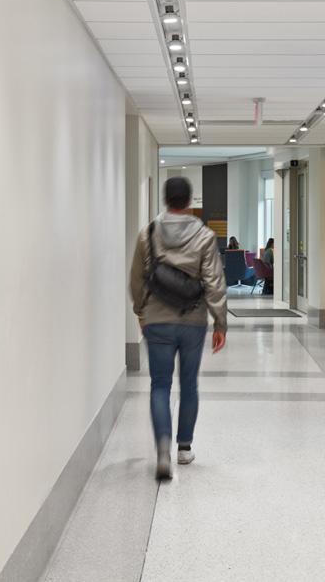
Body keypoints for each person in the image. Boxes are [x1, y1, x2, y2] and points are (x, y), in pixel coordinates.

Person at [130, 177, 228, 480]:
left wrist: (140, 313)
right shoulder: (205, 236)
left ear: (165, 200)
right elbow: (214, 282)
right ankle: (184, 448)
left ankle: (162, 447)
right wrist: (220, 322)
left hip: (157, 319)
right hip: (193, 321)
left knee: (160, 384)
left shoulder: (147, 234)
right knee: (189, 385)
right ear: (189, 202)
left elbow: (137, 278)